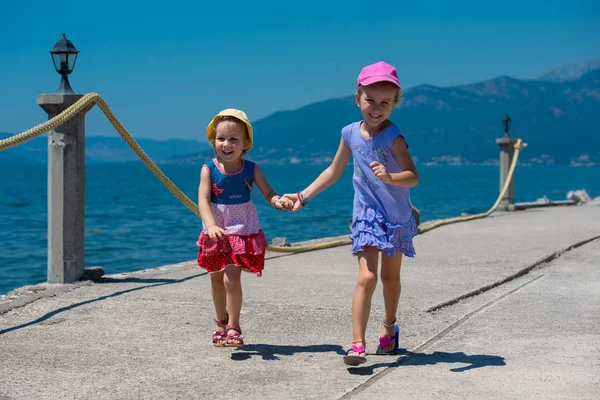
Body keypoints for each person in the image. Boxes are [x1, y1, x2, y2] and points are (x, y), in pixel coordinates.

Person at [283, 62, 419, 365]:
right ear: (358, 98)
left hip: (395, 218)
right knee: (366, 276)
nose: (376, 108)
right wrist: (302, 197)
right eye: (371, 100)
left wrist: (390, 177)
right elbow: (333, 172)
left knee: (390, 278)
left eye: (386, 102)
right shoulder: (348, 134)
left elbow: (412, 176)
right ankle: (357, 343)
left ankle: (388, 327)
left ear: (395, 104)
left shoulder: (393, 137)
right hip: (366, 216)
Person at [197, 108, 292, 348]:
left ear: (245, 144)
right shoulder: (208, 169)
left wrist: (277, 201)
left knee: (232, 277)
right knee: (216, 279)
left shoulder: (252, 169)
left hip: (240, 229)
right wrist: (210, 224)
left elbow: (268, 192)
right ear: (213, 141)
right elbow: (203, 200)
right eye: (221, 139)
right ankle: (220, 322)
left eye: (233, 139)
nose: (226, 144)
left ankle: (234, 326)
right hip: (216, 230)